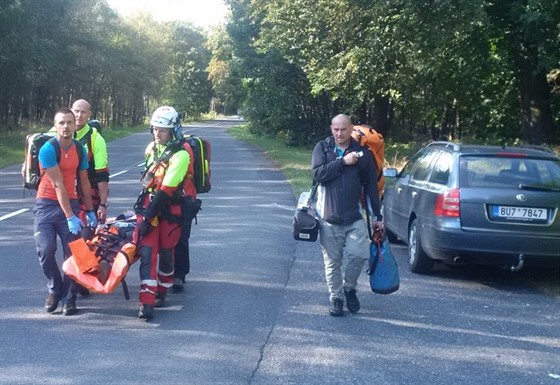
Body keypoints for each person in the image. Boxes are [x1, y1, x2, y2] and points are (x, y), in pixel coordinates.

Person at [311, 114, 384, 316]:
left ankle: (349, 288)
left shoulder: (362, 153)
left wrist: (378, 216)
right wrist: (343, 162)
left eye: (343, 129)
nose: (339, 133)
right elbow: (318, 175)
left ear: (351, 129)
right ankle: (336, 298)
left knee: (360, 255)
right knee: (332, 263)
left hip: (354, 218)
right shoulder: (323, 148)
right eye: (336, 129)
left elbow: (370, 186)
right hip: (328, 218)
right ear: (331, 128)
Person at [34, 108, 97, 316]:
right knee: (45, 250)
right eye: (61, 123)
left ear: (74, 125)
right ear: (55, 125)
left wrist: (89, 209)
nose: (66, 126)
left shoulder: (80, 149)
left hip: (71, 202)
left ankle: (69, 298)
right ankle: (54, 288)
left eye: (70, 122)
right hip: (46, 204)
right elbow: (58, 184)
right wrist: (71, 216)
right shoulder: (48, 149)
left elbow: (85, 181)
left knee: (73, 253)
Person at [133, 106, 190, 320]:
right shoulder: (151, 149)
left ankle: (162, 290)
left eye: (163, 130)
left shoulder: (181, 155)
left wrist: (148, 217)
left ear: (173, 130)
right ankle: (146, 302)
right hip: (150, 205)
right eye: (155, 129)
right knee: (148, 253)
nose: (158, 134)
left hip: (169, 209)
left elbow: (166, 191)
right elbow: (150, 182)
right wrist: (146, 214)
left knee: (166, 253)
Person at [71, 99, 110, 225]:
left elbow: (102, 175)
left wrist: (103, 204)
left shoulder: (96, 139)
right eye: (76, 111)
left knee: (84, 237)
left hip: (87, 196)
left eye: (83, 112)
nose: (79, 115)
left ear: (89, 114)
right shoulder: (57, 130)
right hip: (62, 194)